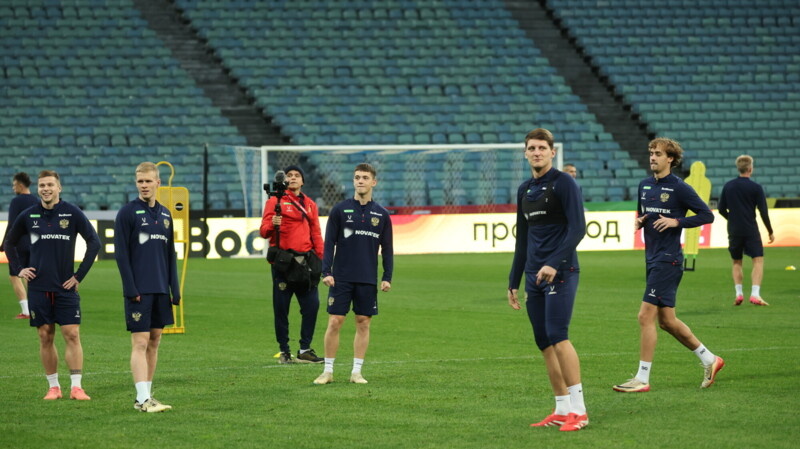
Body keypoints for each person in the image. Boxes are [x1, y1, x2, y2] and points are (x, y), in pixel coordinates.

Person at [613, 138, 724, 394]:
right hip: (652, 258)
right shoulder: (644, 185)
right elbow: (647, 213)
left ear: (670, 159)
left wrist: (677, 222)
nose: (653, 157)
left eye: (658, 154)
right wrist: (642, 221)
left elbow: (707, 215)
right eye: (651, 153)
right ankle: (710, 359)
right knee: (667, 322)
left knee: (645, 316)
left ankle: (642, 378)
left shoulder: (679, 188)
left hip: (668, 259)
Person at [507, 128, 589, 432]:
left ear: (552, 152)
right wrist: (513, 280)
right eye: (532, 148)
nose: (537, 152)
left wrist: (554, 262)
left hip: (562, 271)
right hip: (533, 276)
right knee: (544, 342)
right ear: (525, 153)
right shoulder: (524, 189)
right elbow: (523, 238)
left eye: (542, 147)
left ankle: (580, 411)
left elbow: (578, 228)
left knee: (558, 335)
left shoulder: (564, 182)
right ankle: (561, 408)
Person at [5, 170, 100, 400]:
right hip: (38, 287)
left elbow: (94, 242)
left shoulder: (72, 212)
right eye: (42, 185)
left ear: (59, 188)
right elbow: (9, 242)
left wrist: (78, 276)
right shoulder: (29, 214)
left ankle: (76, 387)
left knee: (72, 334)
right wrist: (19, 269)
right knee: (45, 336)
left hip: (66, 287)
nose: (46, 189)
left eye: (50, 185)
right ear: (38, 189)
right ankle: (54, 387)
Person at [313, 163, 393, 385]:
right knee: (335, 321)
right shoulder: (340, 210)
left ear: (373, 182)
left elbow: (387, 248)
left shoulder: (382, 214)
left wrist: (387, 277)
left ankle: (356, 372)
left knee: (363, 322)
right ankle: (327, 372)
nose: (360, 181)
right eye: (357, 177)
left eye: (365, 178)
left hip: (367, 277)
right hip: (341, 277)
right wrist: (326, 271)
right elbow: (329, 243)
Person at [114, 162, 181, 413]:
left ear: (158, 183)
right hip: (139, 290)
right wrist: (130, 288)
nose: (144, 185)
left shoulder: (166, 215)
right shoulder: (127, 213)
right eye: (140, 181)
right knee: (140, 343)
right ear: (136, 183)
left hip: (161, 289)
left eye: (148, 181)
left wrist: (174, 287)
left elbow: (170, 254)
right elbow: (121, 255)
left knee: (155, 341)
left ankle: (147, 396)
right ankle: (142, 399)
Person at [260, 165, 324, 364]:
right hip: (283, 263)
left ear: (303, 181)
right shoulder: (275, 201)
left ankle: (305, 349)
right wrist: (273, 224)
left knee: (312, 306)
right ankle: (284, 351)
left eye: (297, 175)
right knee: (281, 308)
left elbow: (316, 233)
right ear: (284, 180)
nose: (293, 178)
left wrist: (322, 260)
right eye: (289, 175)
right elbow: (263, 231)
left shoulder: (310, 204)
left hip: (305, 263)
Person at [718, 155, 774, 306]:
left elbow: (721, 209)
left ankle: (739, 294)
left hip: (734, 230)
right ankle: (755, 294)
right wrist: (770, 231)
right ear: (750, 168)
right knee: (758, 260)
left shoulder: (728, 186)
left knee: (736, 261)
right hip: (750, 229)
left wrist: (732, 219)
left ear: (739, 168)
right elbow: (763, 212)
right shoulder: (756, 188)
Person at [1, 172, 40, 319]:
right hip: (34, 242)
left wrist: (4, 243)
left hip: (18, 243)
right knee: (30, 276)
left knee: (15, 275)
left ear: (20, 185)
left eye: (14, 185)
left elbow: (12, 224)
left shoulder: (16, 201)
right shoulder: (36, 200)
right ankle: (36, 308)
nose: (13, 188)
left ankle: (25, 310)